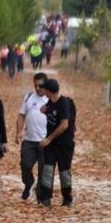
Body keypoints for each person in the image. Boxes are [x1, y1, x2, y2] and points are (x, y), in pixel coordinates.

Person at [39, 78, 76, 207]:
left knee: (64, 171)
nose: (40, 90)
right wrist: (46, 107)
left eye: (43, 88)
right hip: (51, 145)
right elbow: (42, 110)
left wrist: (49, 138)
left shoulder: (63, 103)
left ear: (48, 91)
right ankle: (45, 198)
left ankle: (67, 198)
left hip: (64, 144)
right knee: (47, 170)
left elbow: (64, 124)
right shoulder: (51, 102)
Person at [16, 72, 48, 202]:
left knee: (43, 170)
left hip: (45, 141)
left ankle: (40, 196)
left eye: (40, 85)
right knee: (25, 165)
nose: (38, 88)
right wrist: (18, 132)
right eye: (36, 86)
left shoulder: (51, 99)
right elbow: (21, 115)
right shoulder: (29, 97)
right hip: (29, 140)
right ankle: (28, 183)